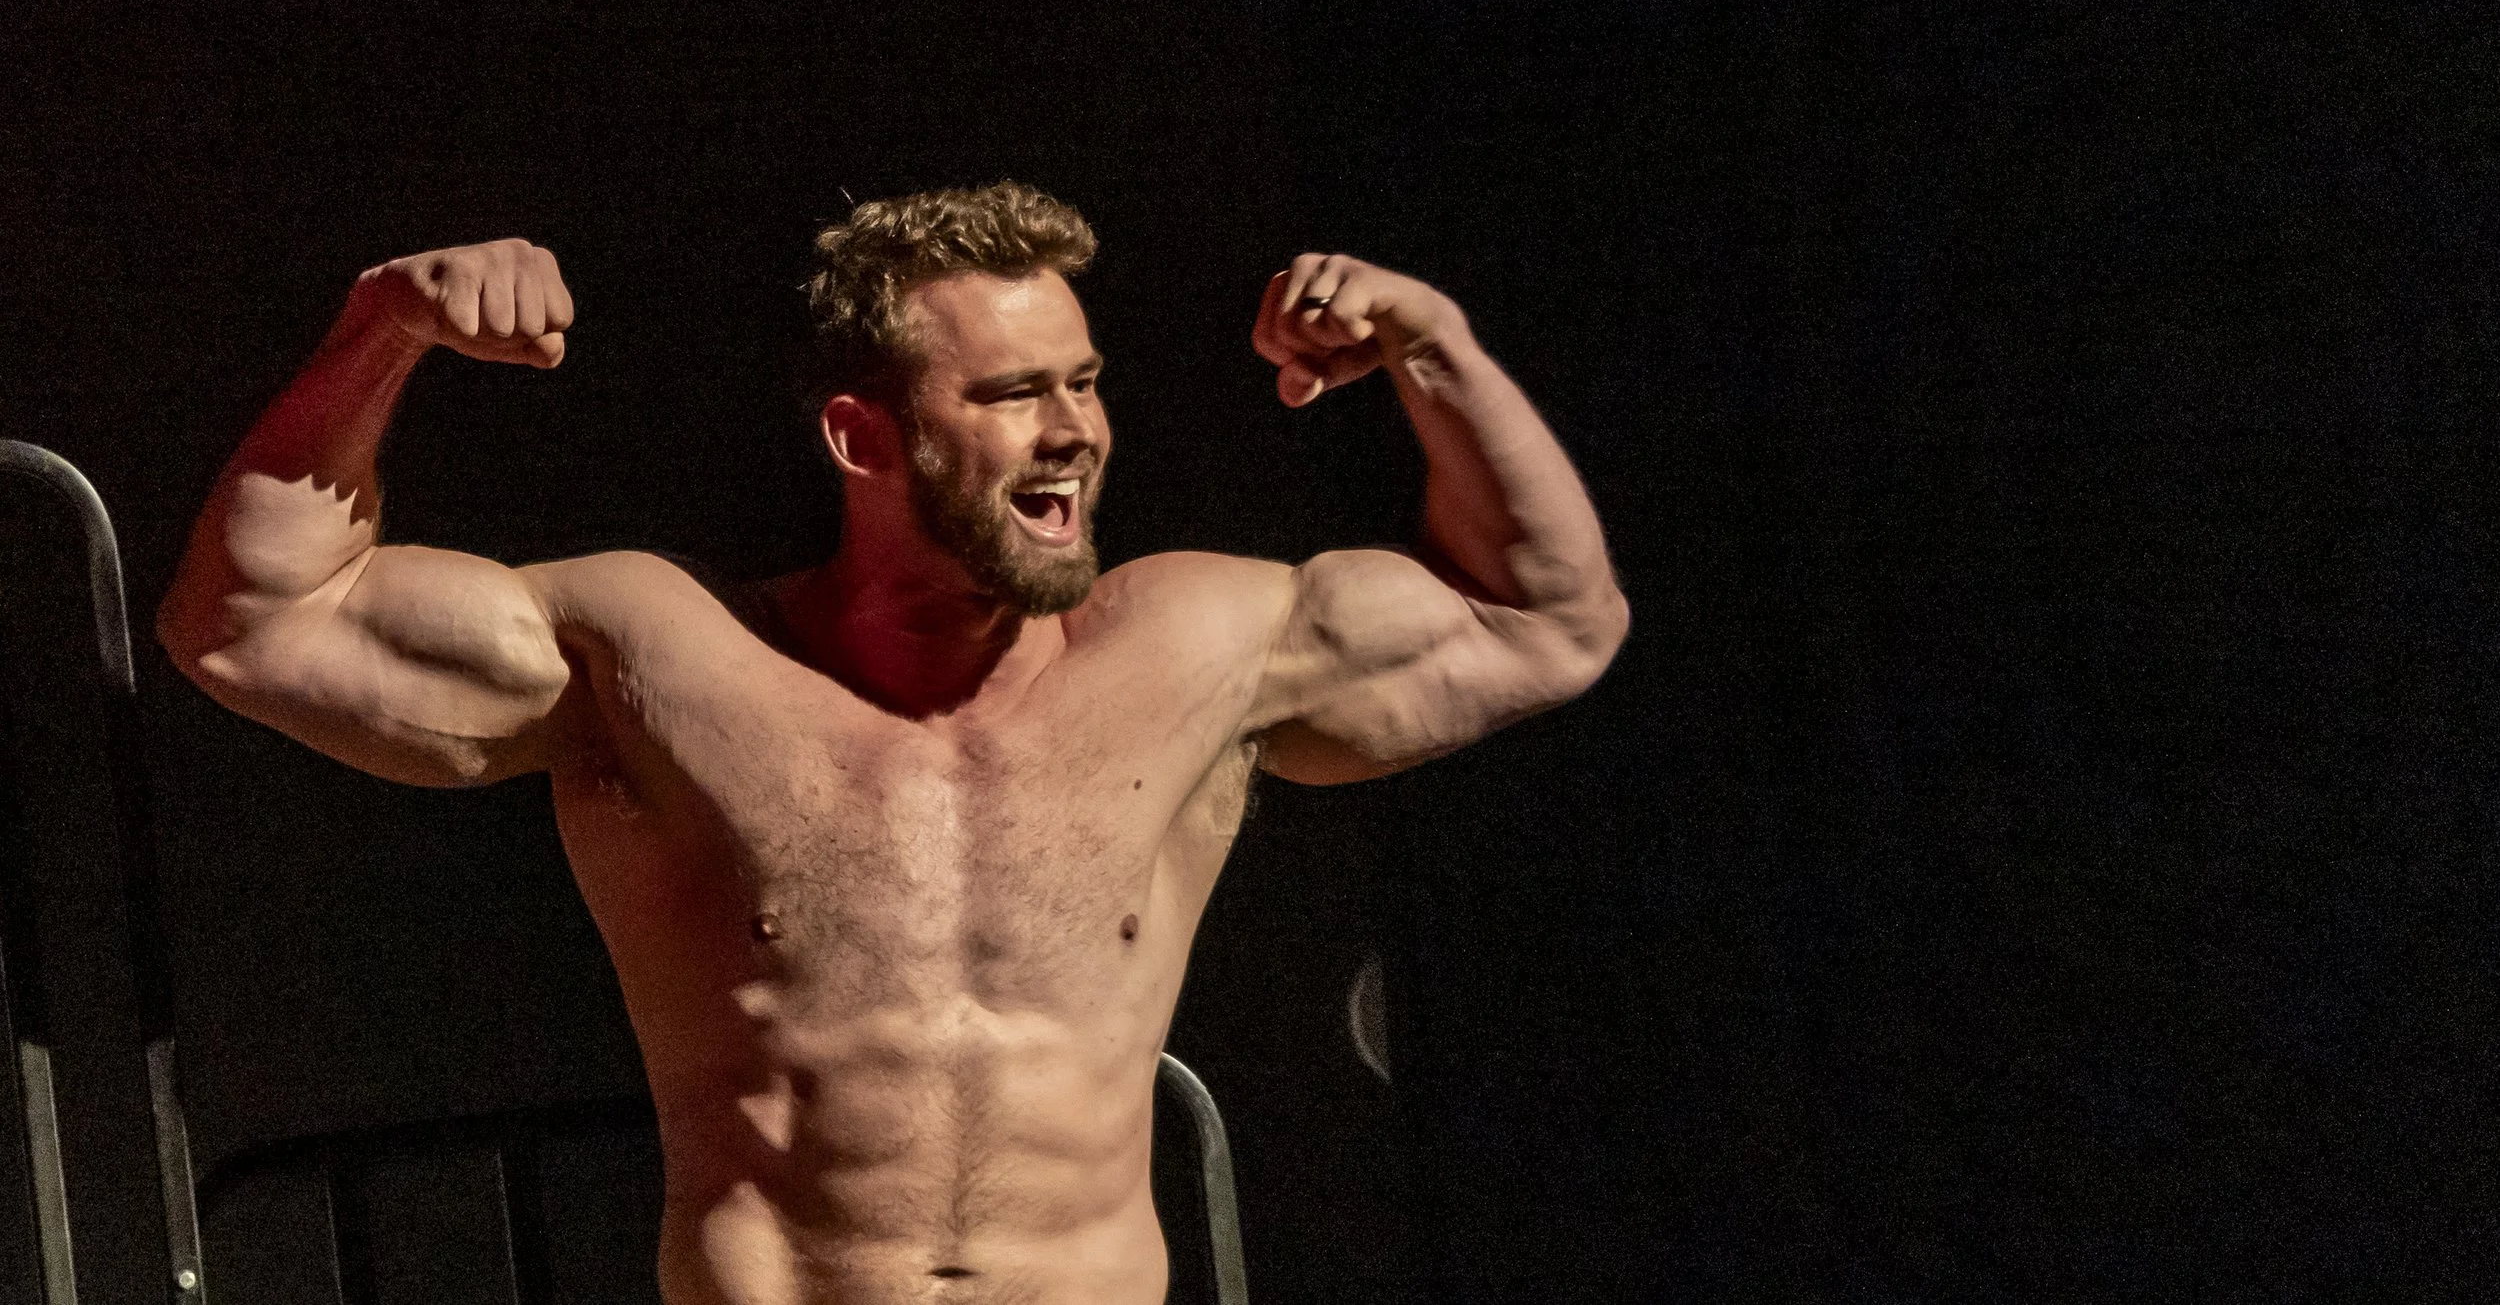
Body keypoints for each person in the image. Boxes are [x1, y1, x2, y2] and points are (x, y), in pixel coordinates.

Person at [157, 182, 1628, 1304]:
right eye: (1009, 395)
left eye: (1084, 380)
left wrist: (1435, 343)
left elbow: (1552, 619)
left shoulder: (1205, 646)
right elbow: (250, 626)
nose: (1071, 431)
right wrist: (385, 331)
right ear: (865, 439)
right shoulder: (659, 658)